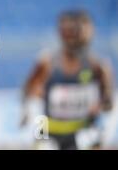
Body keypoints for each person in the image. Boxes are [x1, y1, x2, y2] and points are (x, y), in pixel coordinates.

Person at [20, 10, 114, 150]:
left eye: (76, 32)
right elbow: (29, 93)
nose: (72, 38)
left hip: (82, 130)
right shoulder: (47, 63)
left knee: (91, 138)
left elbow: (108, 105)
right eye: (67, 32)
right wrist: (31, 116)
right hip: (50, 129)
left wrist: (100, 107)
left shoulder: (98, 67)